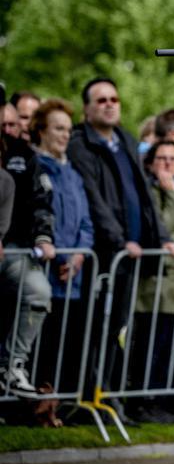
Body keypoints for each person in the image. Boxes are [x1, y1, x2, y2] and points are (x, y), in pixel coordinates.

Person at [67, 78, 174, 410]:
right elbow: (93, 198)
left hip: (131, 256)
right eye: (100, 100)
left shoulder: (126, 140)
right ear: (87, 108)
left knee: (116, 326)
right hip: (103, 254)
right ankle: (87, 398)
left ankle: (107, 395)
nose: (109, 104)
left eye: (113, 98)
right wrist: (118, 241)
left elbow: (144, 197)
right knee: (92, 327)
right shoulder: (80, 145)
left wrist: (162, 238)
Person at [29, 100, 94, 398]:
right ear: (41, 130)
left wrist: (79, 255)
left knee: (65, 344)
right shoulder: (35, 167)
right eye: (58, 128)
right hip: (44, 272)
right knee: (40, 343)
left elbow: (85, 223)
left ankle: (59, 403)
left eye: (68, 129)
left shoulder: (74, 175)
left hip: (73, 277)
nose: (65, 135)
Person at [130, 139, 174, 423]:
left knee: (167, 348)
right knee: (148, 348)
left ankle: (160, 401)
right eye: (161, 158)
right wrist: (168, 241)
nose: (167, 164)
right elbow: (162, 228)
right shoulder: (149, 193)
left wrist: (171, 241)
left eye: (172, 158)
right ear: (150, 162)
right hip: (151, 289)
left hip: (173, 289)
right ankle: (144, 401)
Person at [0, 123, 55, 396]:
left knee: (38, 289)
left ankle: (12, 365)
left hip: (13, 249)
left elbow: (40, 200)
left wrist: (43, 236)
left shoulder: (21, 153)